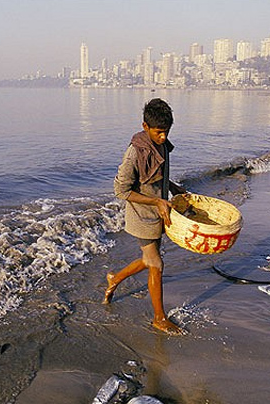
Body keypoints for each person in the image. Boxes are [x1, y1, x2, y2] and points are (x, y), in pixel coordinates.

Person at [104, 98, 187, 335]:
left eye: (166, 132)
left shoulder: (161, 144)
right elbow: (121, 191)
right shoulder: (134, 153)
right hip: (142, 215)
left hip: (159, 211)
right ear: (145, 126)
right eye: (159, 132)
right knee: (156, 263)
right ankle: (159, 318)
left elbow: (156, 176)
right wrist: (156, 201)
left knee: (151, 260)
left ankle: (115, 278)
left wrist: (172, 187)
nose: (163, 137)